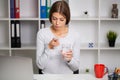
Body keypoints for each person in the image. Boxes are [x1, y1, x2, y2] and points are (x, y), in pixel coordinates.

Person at [36, 0, 80, 74]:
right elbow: (40, 65)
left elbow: (75, 67)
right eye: (54, 18)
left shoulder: (75, 35)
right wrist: (49, 47)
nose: (57, 23)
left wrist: (70, 60)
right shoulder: (42, 33)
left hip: (67, 78)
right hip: (47, 77)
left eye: (61, 19)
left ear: (67, 19)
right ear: (50, 17)